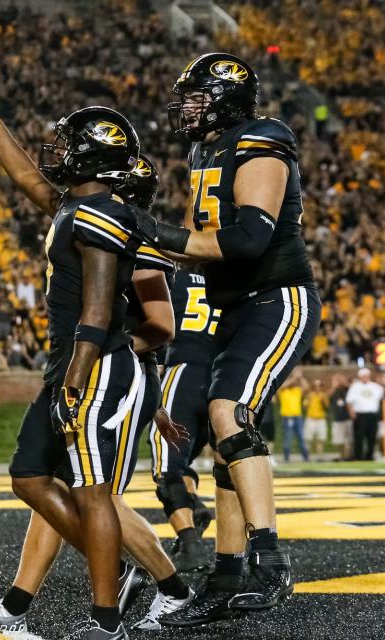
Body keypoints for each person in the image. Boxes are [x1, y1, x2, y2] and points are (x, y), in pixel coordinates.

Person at [0, 72, 187, 639]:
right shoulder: (74, 207)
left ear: (92, 159)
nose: (58, 154)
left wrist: (77, 382)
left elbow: (101, 311)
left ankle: (107, 621)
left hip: (96, 367)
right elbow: (28, 177)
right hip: (78, 365)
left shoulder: (101, 214)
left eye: (69, 145)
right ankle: (123, 580)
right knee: (31, 475)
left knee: (92, 491)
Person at [147, 53, 321, 625]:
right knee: (226, 434)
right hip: (232, 306)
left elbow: (247, 239)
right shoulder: (204, 149)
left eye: (197, 96)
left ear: (226, 97)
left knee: (229, 410)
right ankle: (226, 575)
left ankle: (269, 559)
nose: (187, 107)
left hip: (277, 299)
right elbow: (202, 241)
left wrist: (156, 232)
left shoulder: (261, 138)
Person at [150, 261, 218, 575]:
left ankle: (191, 545)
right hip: (222, 376)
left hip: (184, 372)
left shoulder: (173, 277)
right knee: (185, 458)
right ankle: (195, 506)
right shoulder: (232, 280)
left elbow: (157, 325)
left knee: (167, 468)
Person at [346, 368, 384, 461]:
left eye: (366, 375)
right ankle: (358, 456)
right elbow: (349, 401)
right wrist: (351, 412)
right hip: (360, 415)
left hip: (372, 414)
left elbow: (383, 397)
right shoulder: (355, 386)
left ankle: (369, 456)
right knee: (359, 436)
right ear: (360, 376)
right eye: (363, 376)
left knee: (372, 436)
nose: (365, 377)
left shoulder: (376, 387)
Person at [277, 372, 308, 463]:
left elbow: (306, 388)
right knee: (288, 438)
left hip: (298, 417)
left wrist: (301, 377)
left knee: (301, 438)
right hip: (287, 417)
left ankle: (306, 458)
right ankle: (286, 459)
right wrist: (294, 377)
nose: (293, 383)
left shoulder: (297, 390)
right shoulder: (283, 390)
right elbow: (283, 386)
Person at [303, 379, 328, 462]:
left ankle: (319, 457)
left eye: (319, 386)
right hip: (310, 419)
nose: (318, 387)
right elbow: (304, 407)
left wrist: (323, 401)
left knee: (321, 439)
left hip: (321, 419)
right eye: (316, 386)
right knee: (308, 439)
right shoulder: (310, 395)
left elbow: (327, 407)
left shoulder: (324, 395)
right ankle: (307, 457)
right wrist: (308, 401)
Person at [329, 374, 353, 461]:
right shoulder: (334, 391)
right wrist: (334, 386)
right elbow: (327, 396)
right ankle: (342, 456)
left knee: (349, 440)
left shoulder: (348, 389)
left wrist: (344, 382)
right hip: (337, 419)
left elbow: (352, 389)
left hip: (347, 418)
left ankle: (348, 456)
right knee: (339, 441)